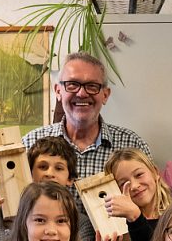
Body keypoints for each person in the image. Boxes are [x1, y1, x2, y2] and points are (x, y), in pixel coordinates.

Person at [20, 51, 151, 182]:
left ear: (105, 95)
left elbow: (154, 200)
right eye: (72, 84)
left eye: (92, 86)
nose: (82, 93)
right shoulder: (28, 145)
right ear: (58, 91)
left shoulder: (133, 145)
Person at [0, 133, 78, 241]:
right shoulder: (3, 216)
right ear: (29, 173)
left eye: (59, 168)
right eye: (43, 167)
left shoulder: (80, 222)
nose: (49, 173)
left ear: (70, 179)